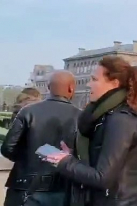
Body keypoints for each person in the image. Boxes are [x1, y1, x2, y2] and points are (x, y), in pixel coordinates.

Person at [43, 56, 137, 206]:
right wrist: (71, 157)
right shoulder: (105, 116)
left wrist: (64, 162)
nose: (88, 84)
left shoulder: (120, 120)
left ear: (114, 83)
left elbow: (102, 177)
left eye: (94, 79)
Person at [1, 70, 80, 206]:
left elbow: (8, 148)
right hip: (61, 188)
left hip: (24, 186)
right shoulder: (81, 117)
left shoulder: (27, 111)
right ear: (71, 88)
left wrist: (27, 159)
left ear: (49, 88)